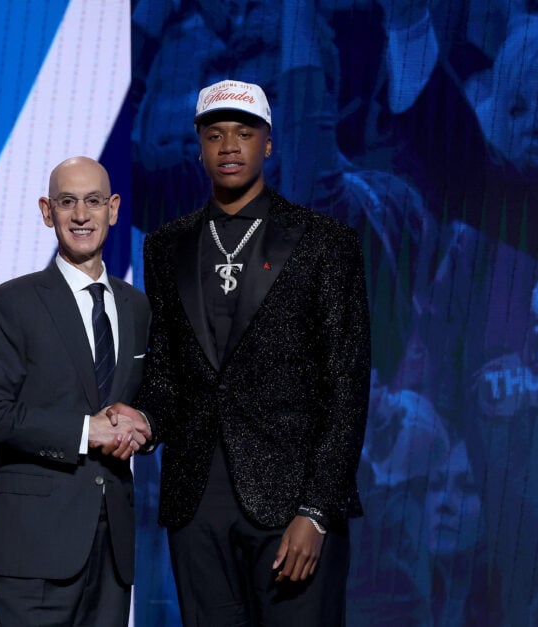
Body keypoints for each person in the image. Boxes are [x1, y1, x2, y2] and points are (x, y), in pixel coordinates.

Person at [111, 79, 371, 626]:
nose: (229, 146)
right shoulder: (166, 246)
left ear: (268, 144)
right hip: (196, 502)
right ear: (199, 145)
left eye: (244, 133)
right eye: (215, 134)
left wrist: (317, 513)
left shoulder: (324, 242)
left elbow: (347, 386)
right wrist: (145, 419)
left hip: (293, 503)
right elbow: (166, 374)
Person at [0, 156, 152, 626]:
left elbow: (144, 402)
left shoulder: (137, 307)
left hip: (113, 549)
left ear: (113, 208)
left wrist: (144, 425)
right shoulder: (10, 303)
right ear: (47, 212)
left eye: (93, 201)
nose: (81, 215)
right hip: (33, 547)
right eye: (67, 202)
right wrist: (86, 431)